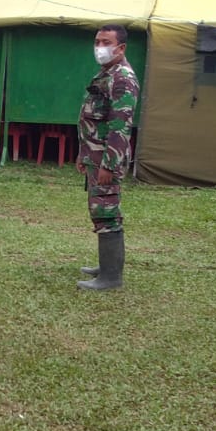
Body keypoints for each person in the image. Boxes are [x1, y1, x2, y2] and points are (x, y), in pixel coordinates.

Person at [76, 24, 139, 291]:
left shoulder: (122, 78)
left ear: (120, 47)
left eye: (106, 42)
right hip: (95, 154)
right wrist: (83, 153)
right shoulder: (107, 73)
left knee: (107, 211)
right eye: (97, 41)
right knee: (100, 209)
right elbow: (93, 119)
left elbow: (119, 126)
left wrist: (108, 165)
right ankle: (106, 266)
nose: (99, 47)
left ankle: (111, 277)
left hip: (106, 159)